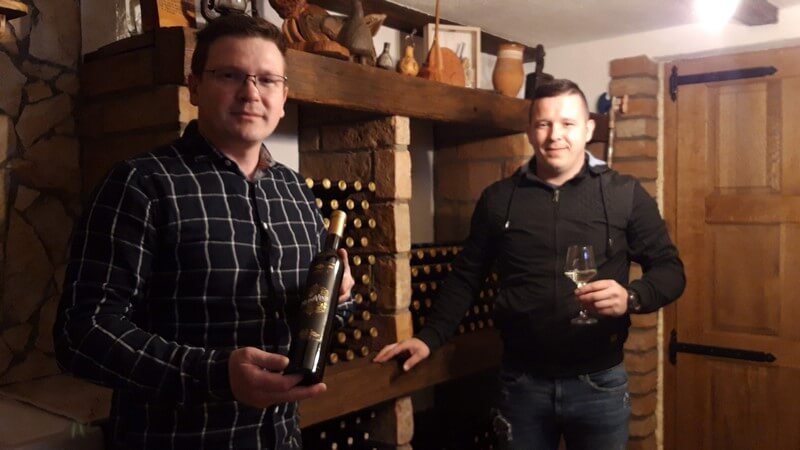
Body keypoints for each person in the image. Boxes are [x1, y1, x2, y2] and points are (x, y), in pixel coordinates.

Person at [54, 13, 354, 449]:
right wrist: (215, 374)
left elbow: (315, 316)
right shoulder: (141, 183)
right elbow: (81, 333)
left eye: (267, 80)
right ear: (194, 87)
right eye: (230, 75)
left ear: (283, 97)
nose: (251, 92)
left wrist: (339, 299)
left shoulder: (296, 191)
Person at [375, 79, 685, 450]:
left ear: (588, 129)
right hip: (521, 384)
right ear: (530, 131)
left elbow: (670, 270)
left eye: (567, 124)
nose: (555, 135)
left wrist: (632, 297)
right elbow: (466, 276)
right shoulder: (498, 199)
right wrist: (430, 337)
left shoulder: (624, 194)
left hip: (599, 384)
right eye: (543, 124)